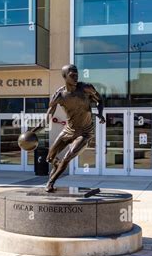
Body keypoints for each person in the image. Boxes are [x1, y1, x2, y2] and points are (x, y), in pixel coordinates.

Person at [32, 64, 106, 192]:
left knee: (67, 157)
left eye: (77, 74)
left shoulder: (86, 88)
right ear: (65, 77)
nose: (76, 77)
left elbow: (100, 100)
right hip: (68, 131)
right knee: (49, 158)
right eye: (72, 75)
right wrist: (32, 132)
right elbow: (47, 119)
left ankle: (51, 181)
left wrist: (100, 113)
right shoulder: (59, 95)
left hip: (85, 132)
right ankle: (56, 165)